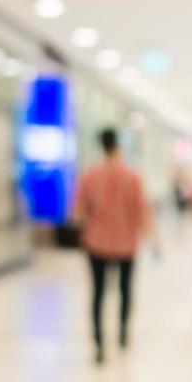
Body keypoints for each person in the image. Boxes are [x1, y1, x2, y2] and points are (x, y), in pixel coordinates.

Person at [72, 127, 151, 364]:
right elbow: (141, 211)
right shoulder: (132, 177)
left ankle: (99, 342)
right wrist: (150, 237)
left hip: (97, 242)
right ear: (117, 146)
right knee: (125, 290)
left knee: (98, 293)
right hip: (126, 243)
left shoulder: (90, 176)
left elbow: (78, 212)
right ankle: (123, 332)